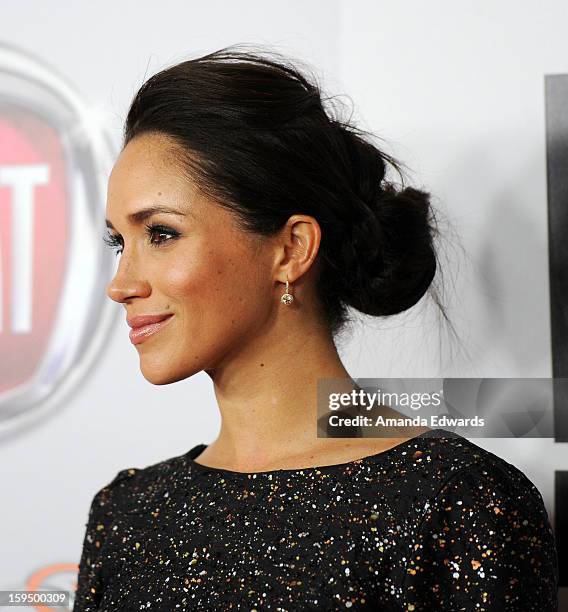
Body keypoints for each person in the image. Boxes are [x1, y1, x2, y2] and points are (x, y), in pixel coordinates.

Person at [72, 45, 559, 611]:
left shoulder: (457, 503)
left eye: (160, 234)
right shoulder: (125, 516)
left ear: (291, 249)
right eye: (118, 242)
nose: (121, 283)